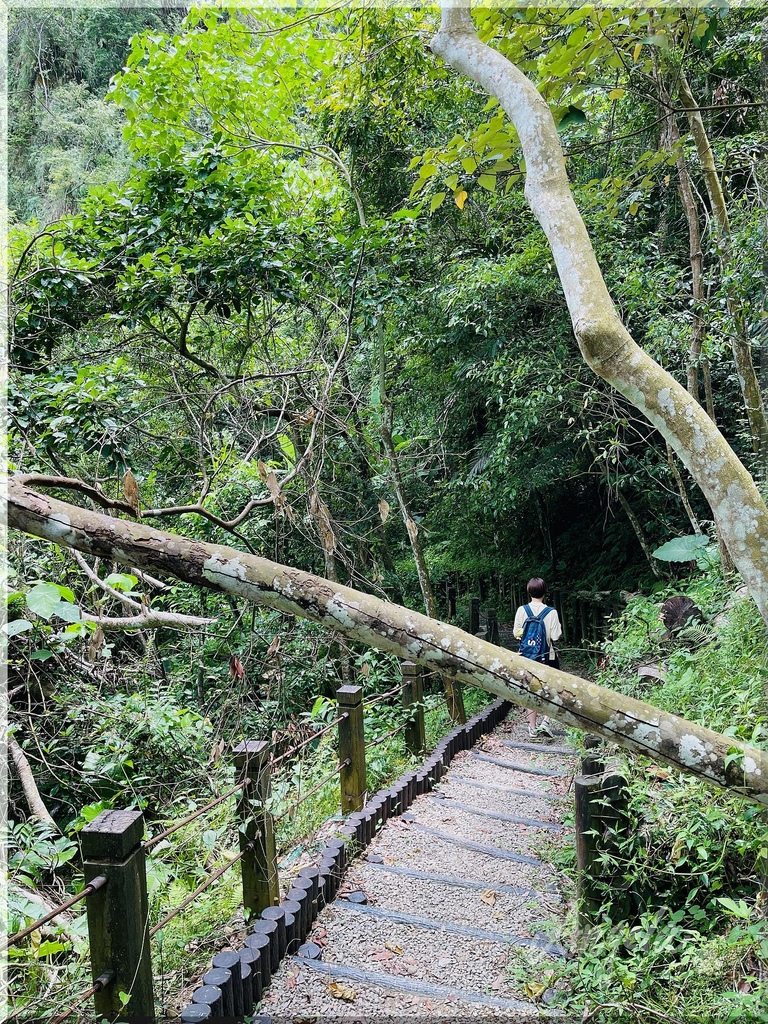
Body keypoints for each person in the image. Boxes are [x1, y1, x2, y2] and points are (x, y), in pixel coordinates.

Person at [513, 577, 562, 738]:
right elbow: (555, 637)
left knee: (530, 691)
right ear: (545, 592)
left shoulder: (522, 610)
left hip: (526, 657)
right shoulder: (551, 612)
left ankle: (532, 728)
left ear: (529, 591)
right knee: (551, 690)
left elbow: (516, 633)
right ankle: (545, 722)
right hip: (547, 657)